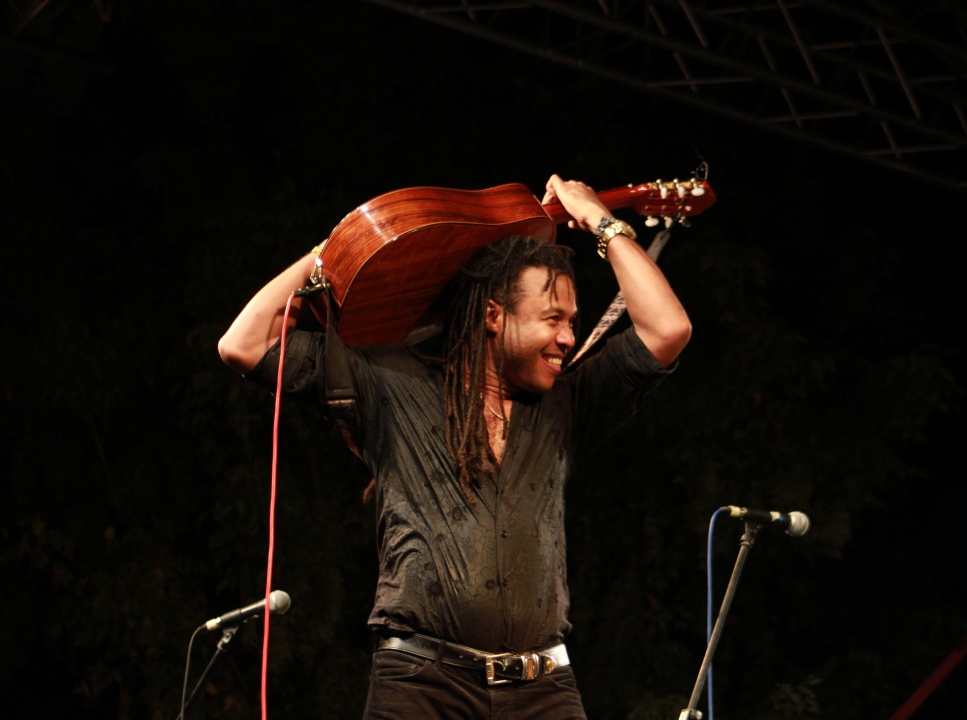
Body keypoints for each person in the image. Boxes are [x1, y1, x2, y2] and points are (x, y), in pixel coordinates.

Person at [218, 174, 691, 719]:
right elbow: (243, 344)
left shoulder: (568, 405)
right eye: (552, 319)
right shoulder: (391, 384)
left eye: (572, 322)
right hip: (421, 686)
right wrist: (330, 253)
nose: (567, 337)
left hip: (544, 692)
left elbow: (667, 328)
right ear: (493, 316)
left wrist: (600, 222)